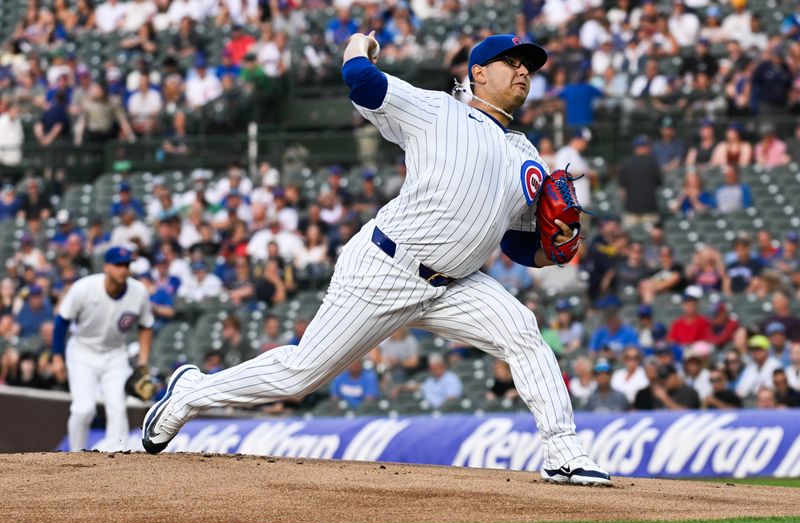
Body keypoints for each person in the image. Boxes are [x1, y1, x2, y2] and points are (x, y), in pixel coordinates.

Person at [141, 33, 612, 485]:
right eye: (511, 63)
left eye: (528, 67)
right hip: (386, 266)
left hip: (456, 285)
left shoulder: (526, 155)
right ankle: (189, 394)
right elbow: (363, 81)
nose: (523, 72)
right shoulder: (438, 110)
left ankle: (564, 452)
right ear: (477, 73)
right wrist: (359, 45)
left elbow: (515, 244)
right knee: (300, 375)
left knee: (523, 331)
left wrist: (554, 251)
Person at [52, 247, 153, 452]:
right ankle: (75, 455)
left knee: (117, 407)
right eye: (118, 265)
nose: (123, 270)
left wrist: (143, 361)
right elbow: (62, 321)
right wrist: (57, 357)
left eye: (126, 265)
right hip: (82, 351)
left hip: (115, 354)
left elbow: (146, 325)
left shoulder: (138, 292)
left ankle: (118, 458)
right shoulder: (84, 288)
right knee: (83, 409)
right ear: (106, 267)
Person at [617, 135, 662, 229]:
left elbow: (622, 191)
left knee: (630, 240)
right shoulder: (653, 163)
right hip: (649, 210)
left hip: (631, 210)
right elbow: (659, 183)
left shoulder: (626, 164)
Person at [736, 335, 783, 399]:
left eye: (759, 349)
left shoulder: (776, 365)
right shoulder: (750, 367)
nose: (756, 352)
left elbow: (777, 389)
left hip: (771, 402)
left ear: (767, 350)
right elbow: (740, 389)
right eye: (753, 350)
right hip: (750, 402)